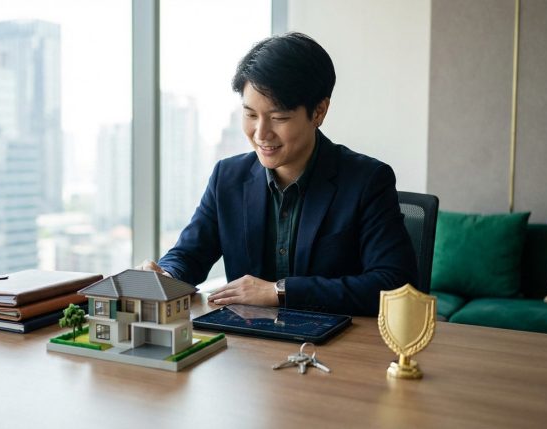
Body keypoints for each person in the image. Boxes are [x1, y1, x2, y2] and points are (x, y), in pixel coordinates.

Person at [138, 32, 417, 316]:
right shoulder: (228, 177)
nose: (261, 133)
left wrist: (279, 291)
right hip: (248, 338)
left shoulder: (367, 180)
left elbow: (395, 285)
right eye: (250, 115)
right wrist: (166, 276)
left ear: (319, 112)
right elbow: (189, 255)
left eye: (278, 118)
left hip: (338, 337)